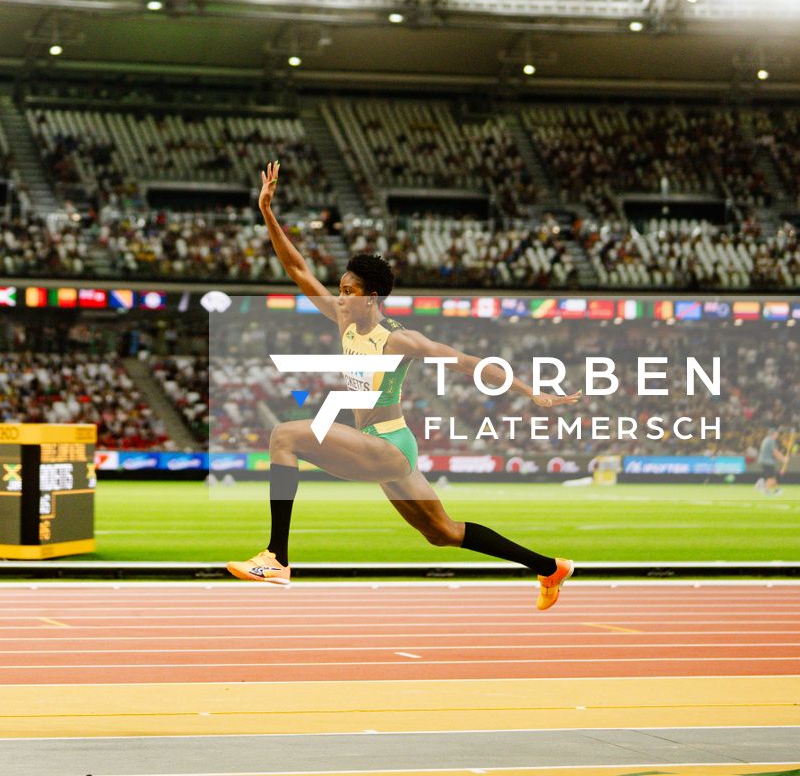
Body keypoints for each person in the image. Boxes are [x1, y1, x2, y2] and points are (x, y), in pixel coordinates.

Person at [227, 161, 583, 608]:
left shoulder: (399, 340)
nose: (340, 296)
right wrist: (267, 213)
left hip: (390, 445)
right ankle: (550, 568)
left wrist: (530, 391)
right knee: (444, 533)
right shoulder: (343, 320)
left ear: (371, 297)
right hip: (376, 443)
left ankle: (277, 556)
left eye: (349, 291)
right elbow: (298, 270)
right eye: (340, 288)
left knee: (285, 435)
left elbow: (470, 364)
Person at [756, 428, 788, 495]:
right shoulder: (771, 440)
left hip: (764, 461)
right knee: (771, 478)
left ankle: (775, 489)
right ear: (773, 434)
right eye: (777, 434)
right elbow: (775, 452)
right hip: (768, 462)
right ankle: (765, 489)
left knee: (772, 478)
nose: (777, 435)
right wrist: (783, 459)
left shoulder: (766, 439)